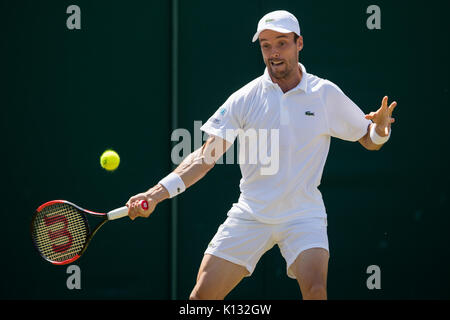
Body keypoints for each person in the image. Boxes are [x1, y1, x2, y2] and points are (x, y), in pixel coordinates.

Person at [126, 10, 397, 300]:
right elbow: (205, 157)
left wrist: (381, 131)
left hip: (303, 215)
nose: (273, 52)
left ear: (299, 43)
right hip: (251, 214)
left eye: (281, 43)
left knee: (316, 291)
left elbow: (369, 139)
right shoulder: (244, 98)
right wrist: (155, 194)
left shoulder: (324, 94)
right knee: (200, 299)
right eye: (266, 45)